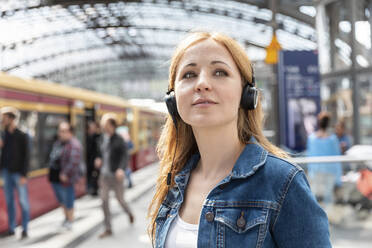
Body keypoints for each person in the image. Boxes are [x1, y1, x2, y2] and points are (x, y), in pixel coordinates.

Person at [147, 31, 331, 248]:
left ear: (247, 94)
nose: (202, 83)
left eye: (219, 72)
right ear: (172, 98)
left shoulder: (283, 183)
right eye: (189, 74)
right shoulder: (173, 183)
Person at [95, 113, 134, 238]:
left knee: (120, 200)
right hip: (104, 175)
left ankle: (129, 213)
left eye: (105, 125)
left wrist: (121, 169)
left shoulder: (119, 139)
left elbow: (125, 155)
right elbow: (101, 152)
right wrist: (98, 159)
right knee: (104, 201)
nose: (103, 127)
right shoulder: (102, 138)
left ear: (112, 126)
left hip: (116, 176)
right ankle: (108, 228)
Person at [0, 106, 30, 239]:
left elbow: (27, 156)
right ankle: (12, 228)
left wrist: (24, 174)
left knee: (23, 202)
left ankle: (25, 229)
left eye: (4, 119)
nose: (2, 121)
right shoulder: (3, 135)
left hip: (18, 173)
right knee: (9, 202)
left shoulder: (22, 135)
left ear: (11, 119)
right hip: (6, 172)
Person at [48, 122, 83, 230]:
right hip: (55, 176)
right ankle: (66, 218)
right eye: (60, 131)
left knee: (68, 199)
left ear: (70, 132)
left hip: (66, 178)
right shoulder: (58, 143)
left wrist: (65, 173)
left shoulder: (74, 144)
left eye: (64, 131)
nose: (61, 133)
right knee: (61, 200)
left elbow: (74, 162)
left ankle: (70, 220)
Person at [307, 112, 343, 210]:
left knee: (315, 197)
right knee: (328, 197)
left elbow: (310, 156)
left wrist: (311, 173)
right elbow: (337, 158)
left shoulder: (311, 138)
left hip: (316, 171)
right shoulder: (333, 139)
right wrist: (339, 179)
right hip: (329, 171)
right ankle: (328, 219)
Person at [86, 121, 101, 196]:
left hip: (94, 159)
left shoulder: (97, 137)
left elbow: (99, 149)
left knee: (95, 175)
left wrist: (98, 157)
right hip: (88, 160)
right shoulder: (86, 137)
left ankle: (94, 189)